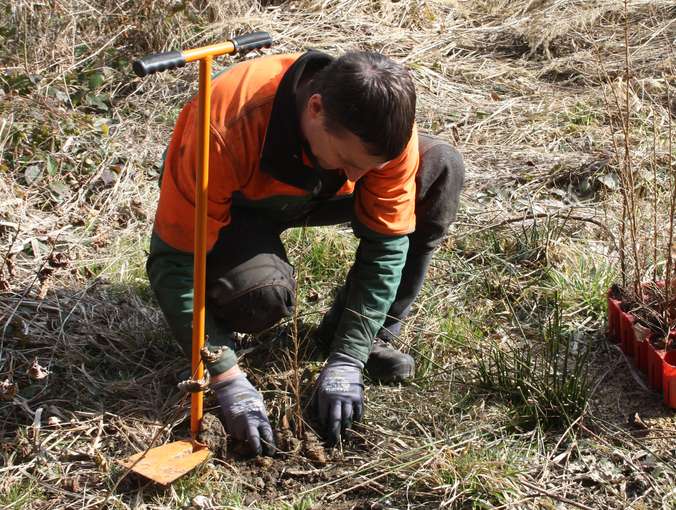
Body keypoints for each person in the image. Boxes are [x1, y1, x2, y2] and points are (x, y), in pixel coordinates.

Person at [146, 50, 465, 456]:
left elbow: (387, 244)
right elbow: (173, 260)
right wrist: (224, 372)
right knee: (258, 298)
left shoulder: (381, 134)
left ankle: (364, 335)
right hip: (240, 207)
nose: (356, 178)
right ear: (315, 109)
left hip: (318, 192)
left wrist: (349, 356)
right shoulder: (224, 125)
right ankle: (236, 300)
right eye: (348, 161)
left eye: (369, 169)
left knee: (439, 167)